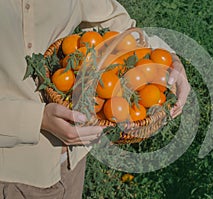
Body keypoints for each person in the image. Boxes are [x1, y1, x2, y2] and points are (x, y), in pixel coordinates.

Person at [0, 0, 190, 198]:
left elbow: (113, 21)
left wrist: (167, 60)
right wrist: (38, 120)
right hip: (11, 173)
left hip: (71, 162)